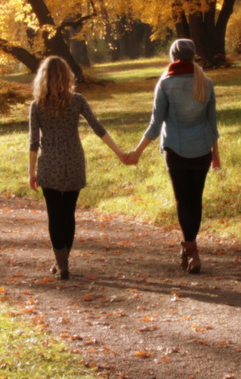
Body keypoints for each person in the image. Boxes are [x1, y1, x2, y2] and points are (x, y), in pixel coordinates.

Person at [27, 55, 132, 280]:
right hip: (74, 161)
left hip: (50, 165)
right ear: (66, 76)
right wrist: (119, 152)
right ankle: (62, 261)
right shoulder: (77, 101)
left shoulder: (37, 106)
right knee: (68, 214)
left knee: (54, 216)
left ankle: (61, 263)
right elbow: (98, 127)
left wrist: (31, 171)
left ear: (42, 78)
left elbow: (34, 142)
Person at [129, 38, 221, 274]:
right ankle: (190, 247)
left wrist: (137, 152)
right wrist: (215, 156)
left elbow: (155, 124)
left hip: (175, 151)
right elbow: (212, 124)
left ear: (173, 57)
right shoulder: (206, 82)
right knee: (195, 200)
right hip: (202, 150)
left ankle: (191, 249)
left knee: (183, 201)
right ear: (193, 56)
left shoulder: (166, 83)